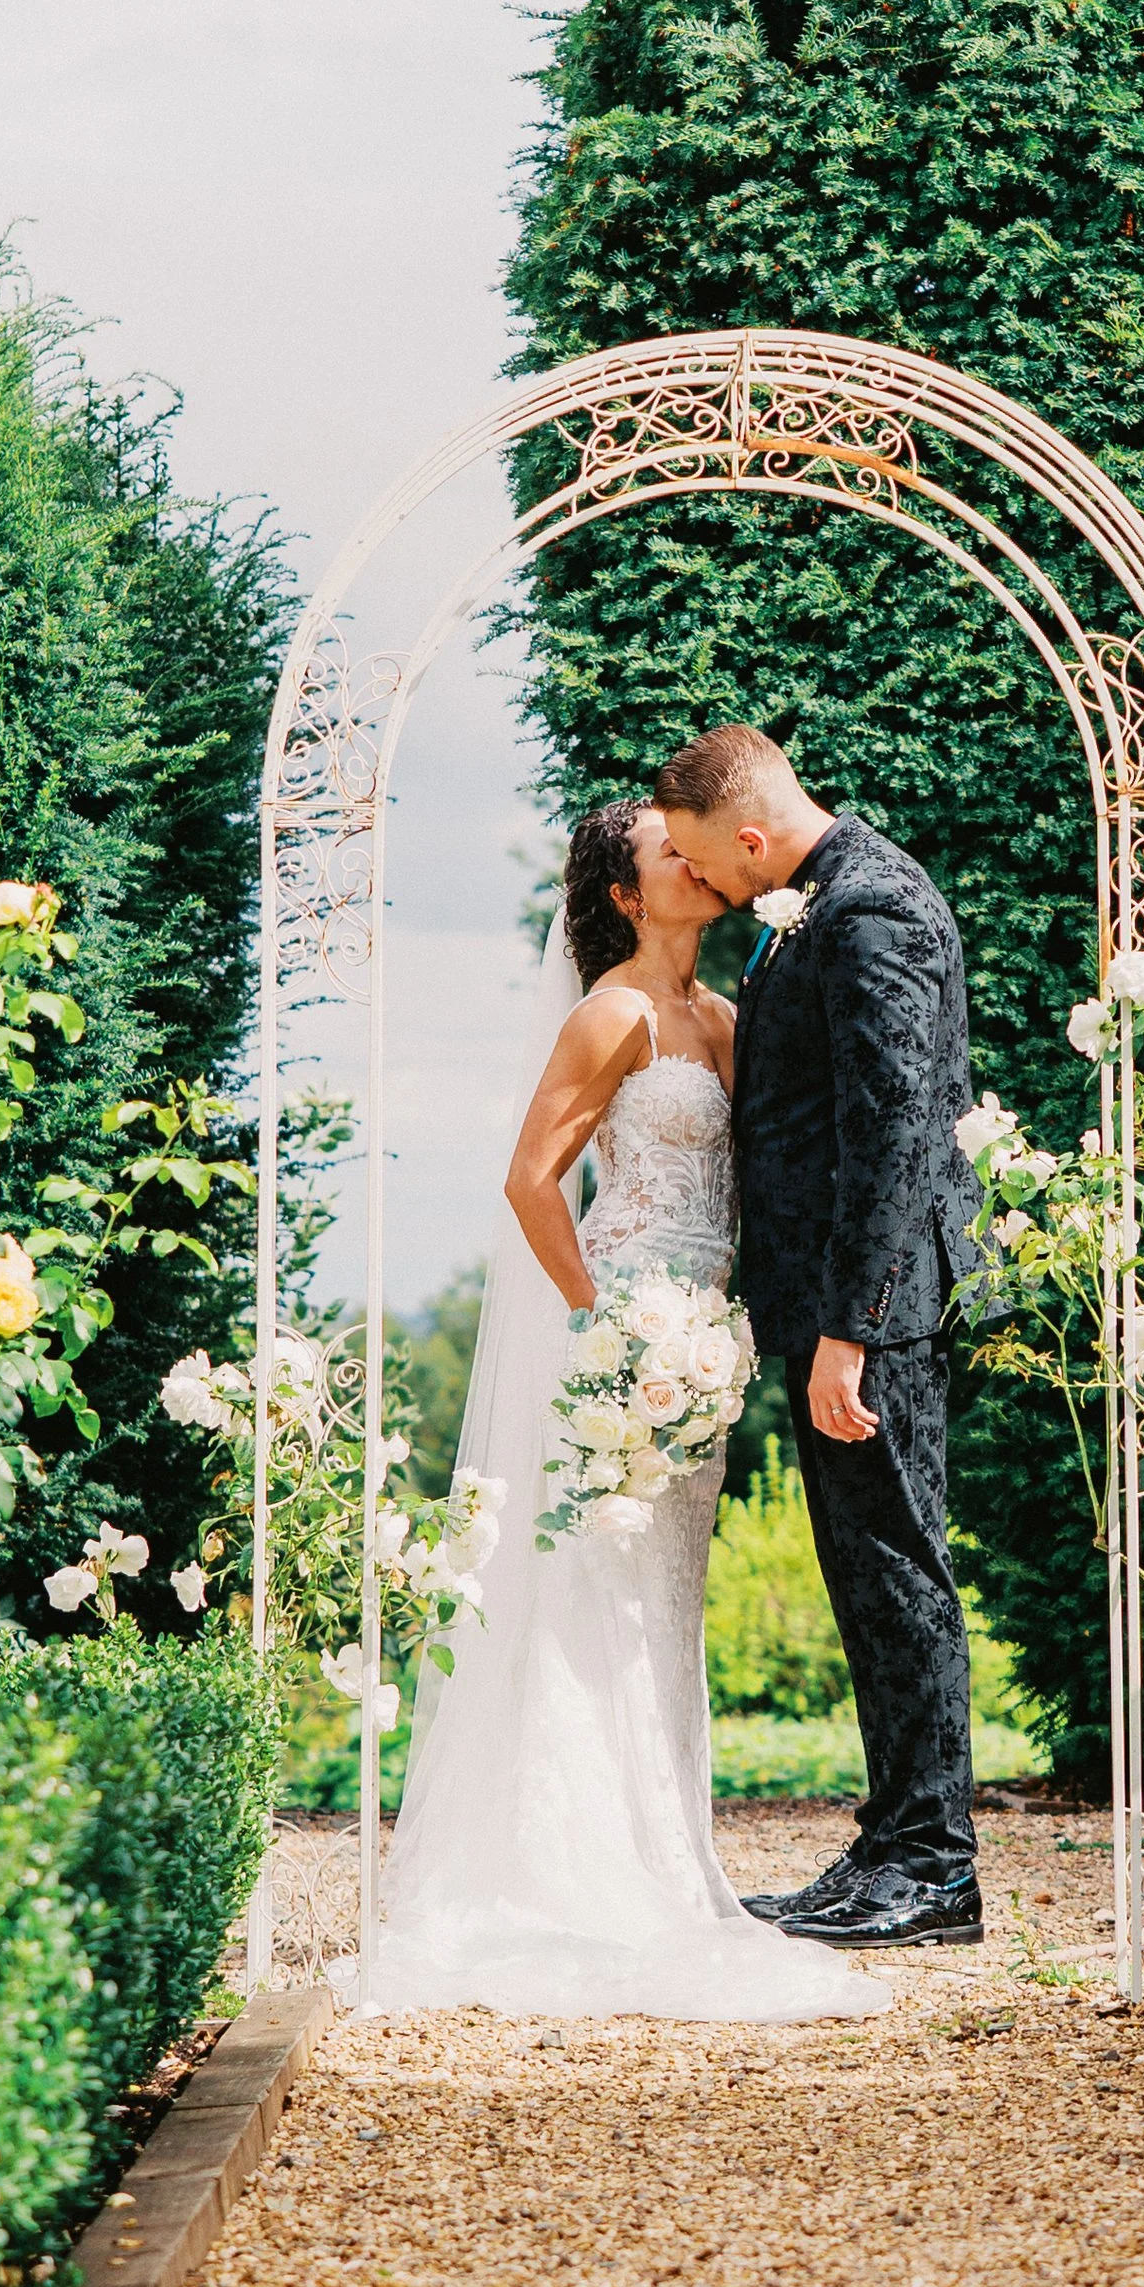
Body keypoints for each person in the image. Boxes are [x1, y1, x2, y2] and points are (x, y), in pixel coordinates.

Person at [360, 796, 891, 2019]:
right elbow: (530, 1179)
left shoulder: (725, 1014)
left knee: (665, 1593)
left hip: (700, 1339)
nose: (695, 865)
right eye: (668, 855)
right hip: (622, 1340)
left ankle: (665, 1848)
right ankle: (568, 1863)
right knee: (591, 1583)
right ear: (623, 894)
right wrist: (601, 1317)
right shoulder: (612, 1014)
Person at [653, 724, 983, 1948]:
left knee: (899, 1572)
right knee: (869, 1574)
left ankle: (934, 1868)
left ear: (750, 836)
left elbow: (898, 1135)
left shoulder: (866, 913)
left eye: (709, 863)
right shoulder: (824, 904)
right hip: (840, 1307)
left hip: (872, 1312)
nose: (715, 888)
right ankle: (892, 1841)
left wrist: (854, 1327)